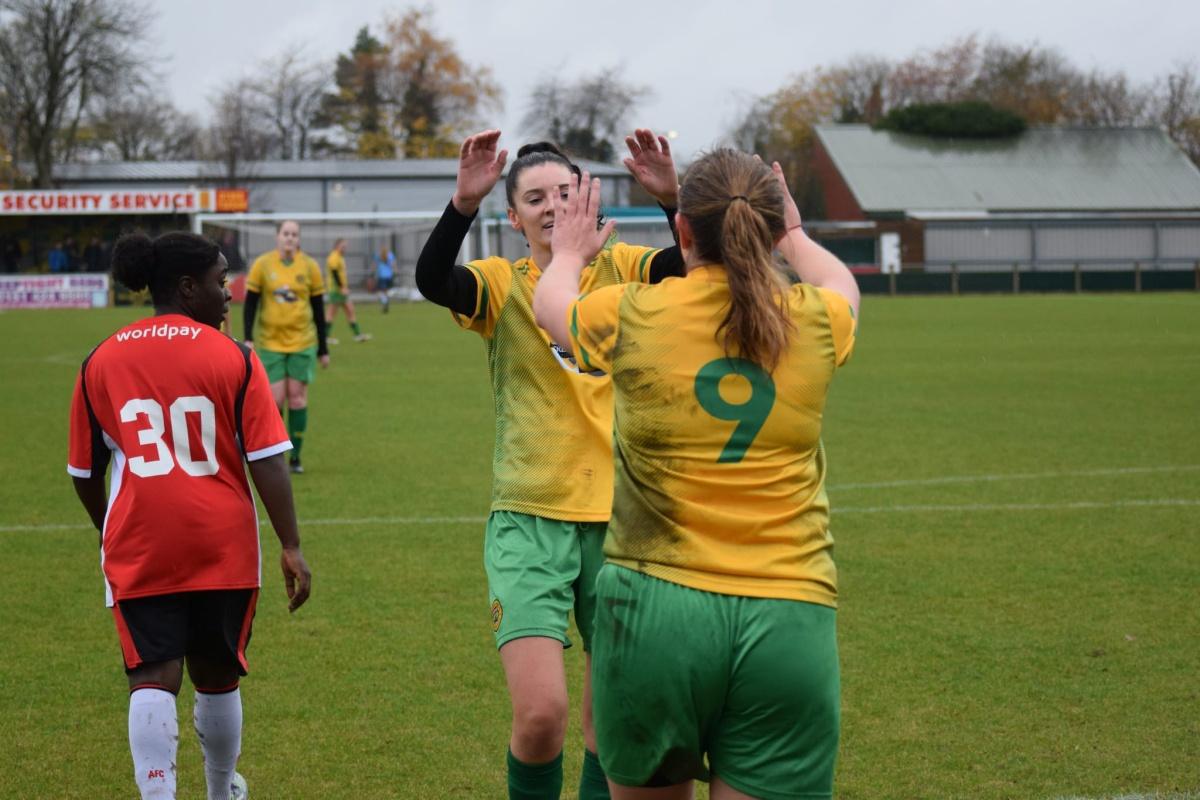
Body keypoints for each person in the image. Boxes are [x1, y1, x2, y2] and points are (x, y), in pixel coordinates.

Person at [533, 150, 860, 799]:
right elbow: (843, 284)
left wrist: (569, 253)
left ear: (682, 232)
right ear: (767, 230)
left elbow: (552, 309)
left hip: (653, 613)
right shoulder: (815, 319)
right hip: (787, 613)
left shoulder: (634, 312)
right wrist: (794, 233)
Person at [415, 128, 684, 800]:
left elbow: (693, 270)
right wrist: (461, 205)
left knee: (608, 724)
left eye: (564, 192)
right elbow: (432, 280)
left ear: (587, 198)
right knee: (541, 716)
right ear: (514, 216)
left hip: (624, 524)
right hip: (529, 519)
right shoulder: (504, 283)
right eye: (534, 197)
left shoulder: (625, 269)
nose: (551, 205)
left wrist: (674, 202)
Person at [67, 230, 313, 800]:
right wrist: (291, 545)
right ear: (186, 287)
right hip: (222, 545)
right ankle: (221, 790)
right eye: (219, 281)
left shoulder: (100, 359)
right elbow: (268, 462)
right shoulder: (234, 356)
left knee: (152, 675)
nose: (228, 293)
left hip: (141, 542)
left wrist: (110, 531)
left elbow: (83, 471)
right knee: (217, 675)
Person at [243, 220, 329, 475]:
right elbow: (250, 305)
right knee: (275, 399)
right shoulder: (263, 265)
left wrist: (324, 348)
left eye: (294, 234)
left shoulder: (310, 266)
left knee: (297, 397)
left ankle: (296, 457)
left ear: (298, 239)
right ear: (277, 237)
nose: (290, 238)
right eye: (285, 234)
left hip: (302, 343)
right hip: (270, 344)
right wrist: (248, 337)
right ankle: (276, 451)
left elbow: (318, 309)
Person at [325, 238, 371, 344]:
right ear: (337, 246)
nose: (345, 248)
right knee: (331, 313)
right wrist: (342, 287)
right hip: (336, 290)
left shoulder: (339, 257)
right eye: (343, 246)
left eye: (345, 246)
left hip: (340, 290)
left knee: (350, 310)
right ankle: (325, 337)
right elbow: (335, 273)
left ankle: (358, 335)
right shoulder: (334, 257)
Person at [374, 244, 396, 312]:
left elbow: (375, 265)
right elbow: (393, 265)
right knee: (386, 291)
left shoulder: (378, 255)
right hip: (389, 275)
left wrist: (374, 274)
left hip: (381, 276)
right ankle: (386, 303)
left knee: (379, 291)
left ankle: (385, 301)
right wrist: (394, 272)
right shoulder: (390, 255)